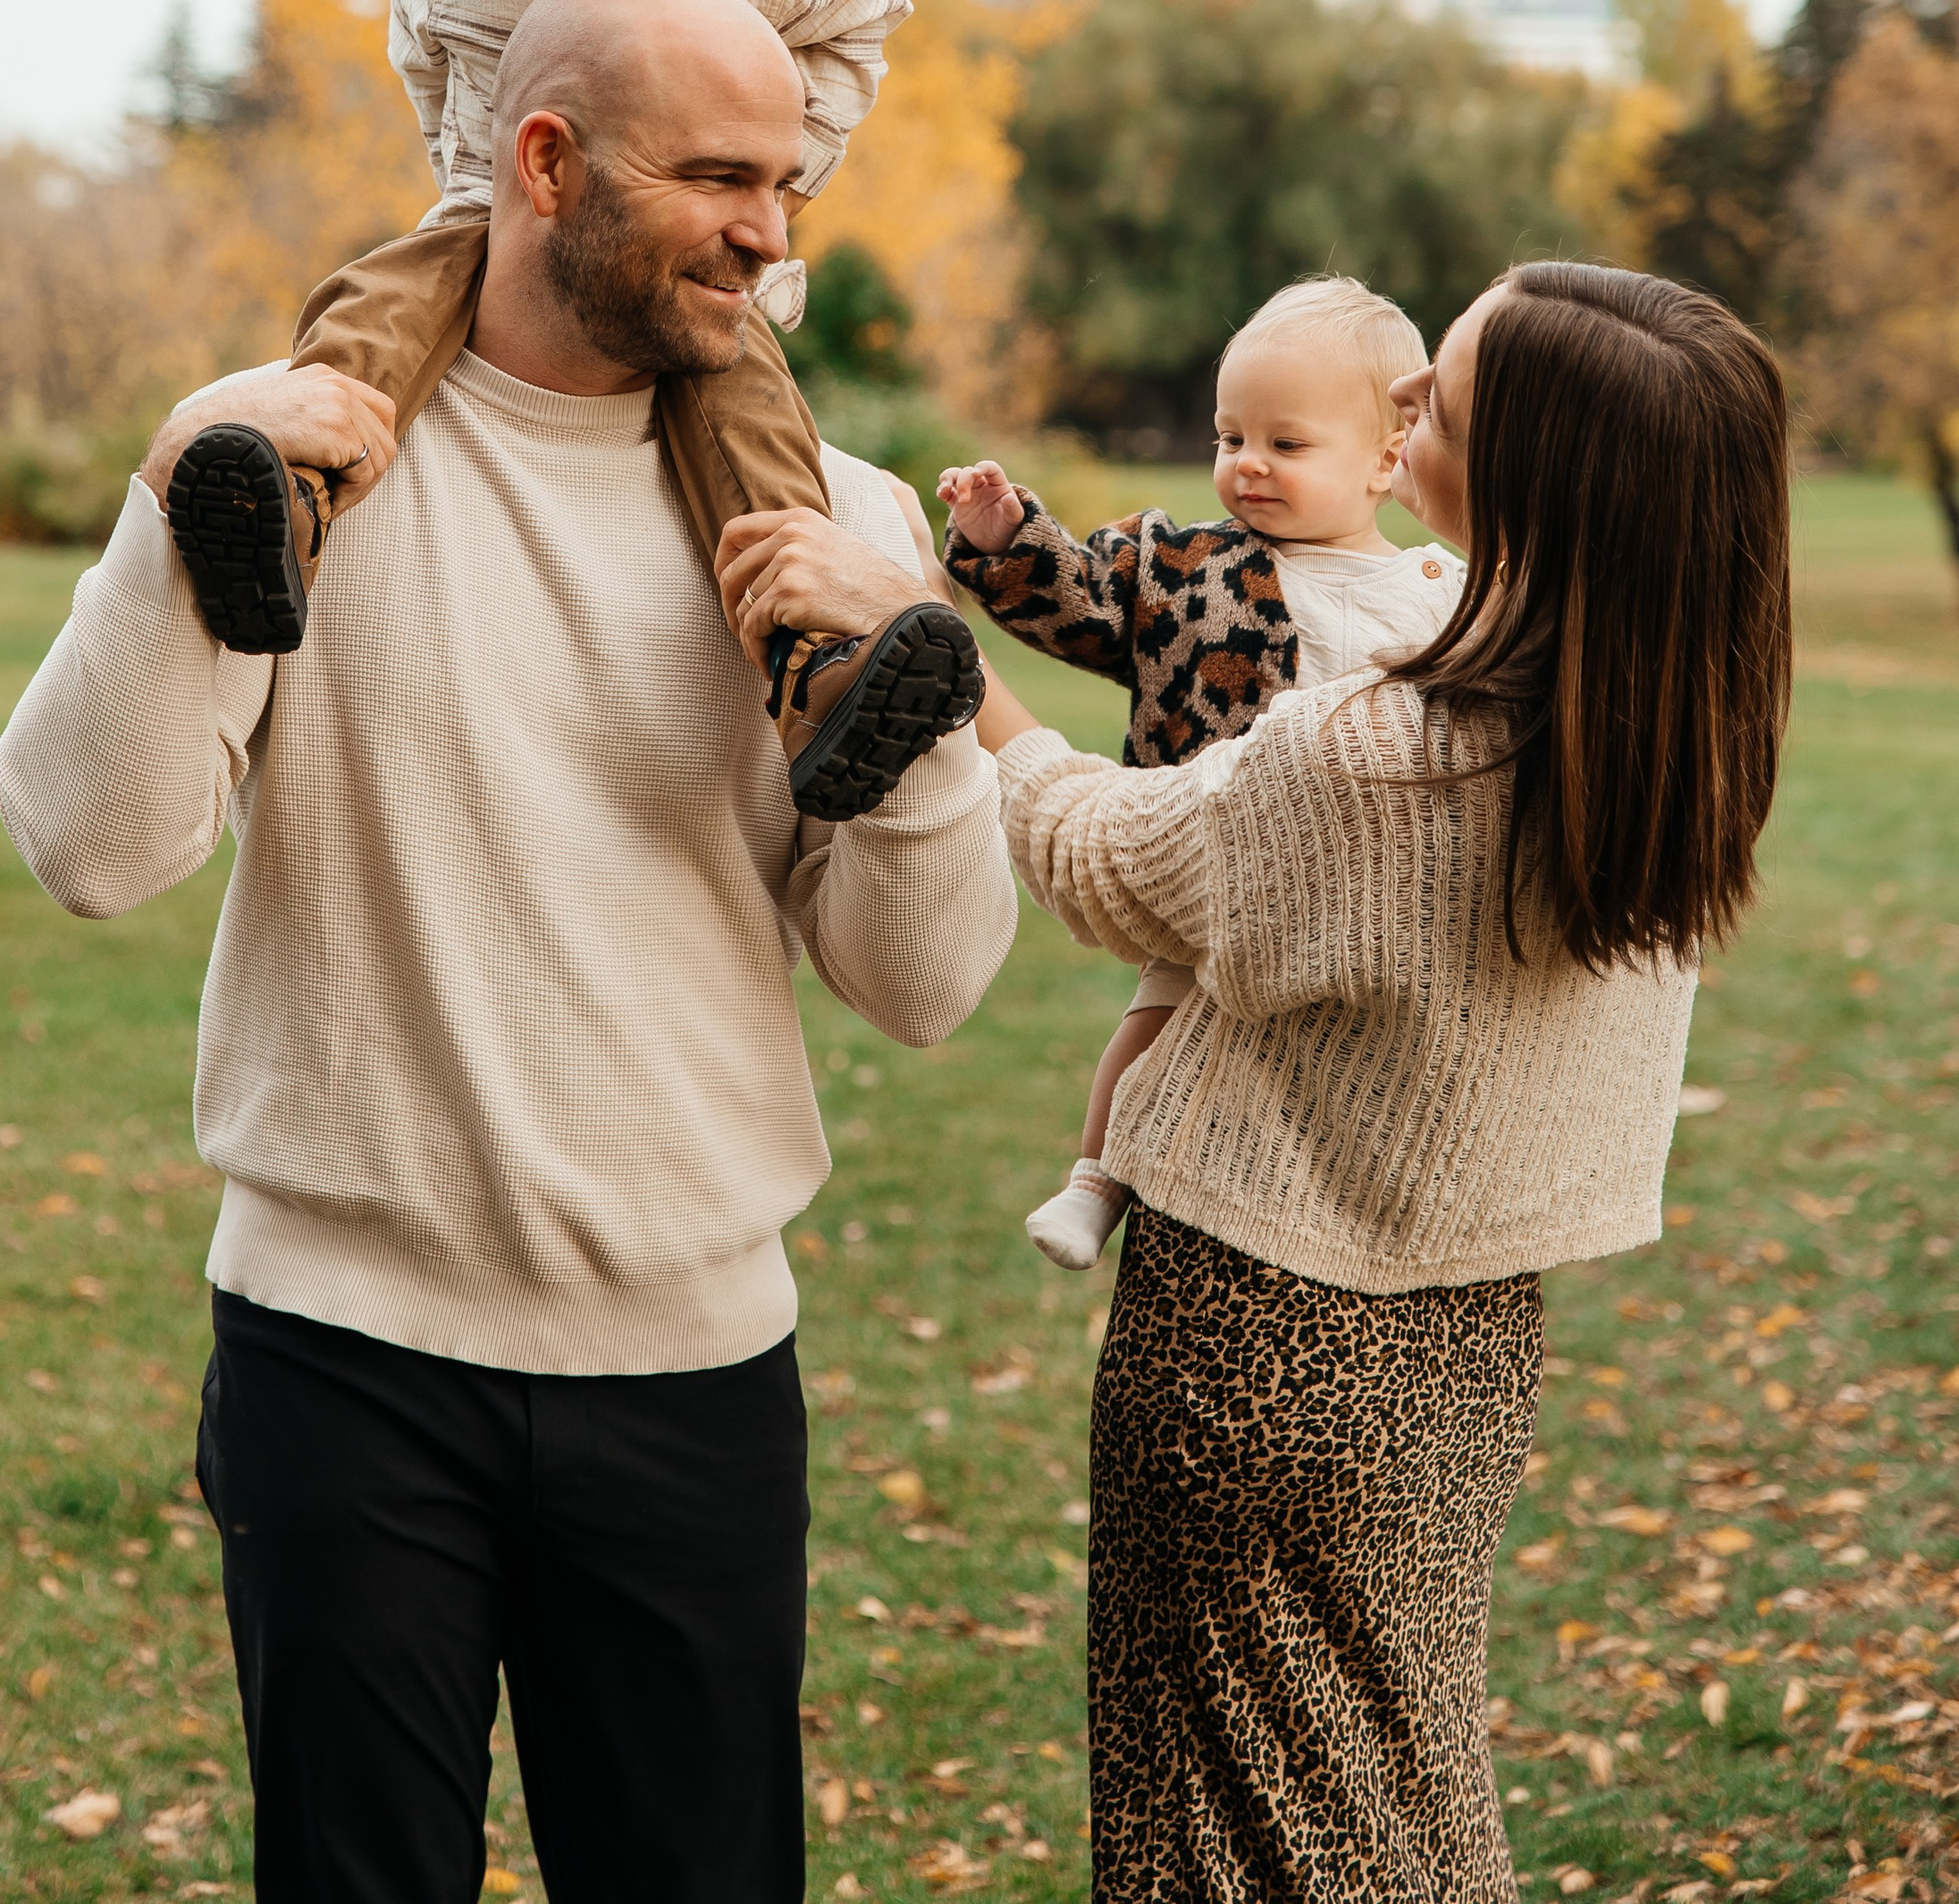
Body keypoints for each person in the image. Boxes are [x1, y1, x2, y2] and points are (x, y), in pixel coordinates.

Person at [0, 0, 1017, 1904]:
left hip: (695, 1369)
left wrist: (920, 692)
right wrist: (172, 497)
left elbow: (927, 987)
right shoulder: (297, 467)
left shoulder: (836, 519)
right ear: (545, 164)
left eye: (786, 183)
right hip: (341, 1356)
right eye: (717, 177)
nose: (770, 232)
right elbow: (84, 847)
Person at [739, 261, 1790, 1904]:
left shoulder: (1388, 752)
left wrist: (930, 638)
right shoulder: (1669, 721)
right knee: (1396, 1791)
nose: (1406, 406)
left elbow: (1100, 854)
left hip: (1268, 1351)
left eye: (1441, 400)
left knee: (1244, 1837)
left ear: (1527, 480)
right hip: (1468, 1348)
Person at [161, 0, 938, 818]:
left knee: (743, 400)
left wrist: (769, 190)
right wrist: (468, 179)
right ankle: (280, 505)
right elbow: (423, 48)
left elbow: (863, 15)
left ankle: (816, 659)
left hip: (670, 256)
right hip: (494, 209)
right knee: (374, 303)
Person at [936, 275, 1459, 1267]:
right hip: (1212, 862)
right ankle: (1096, 1180)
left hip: (1367, 900)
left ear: (1386, 458)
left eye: (1286, 444)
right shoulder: (1182, 570)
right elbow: (1080, 600)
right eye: (1230, 437)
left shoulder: (1440, 597)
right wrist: (1005, 539)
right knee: (1157, 1018)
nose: (1247, 464)